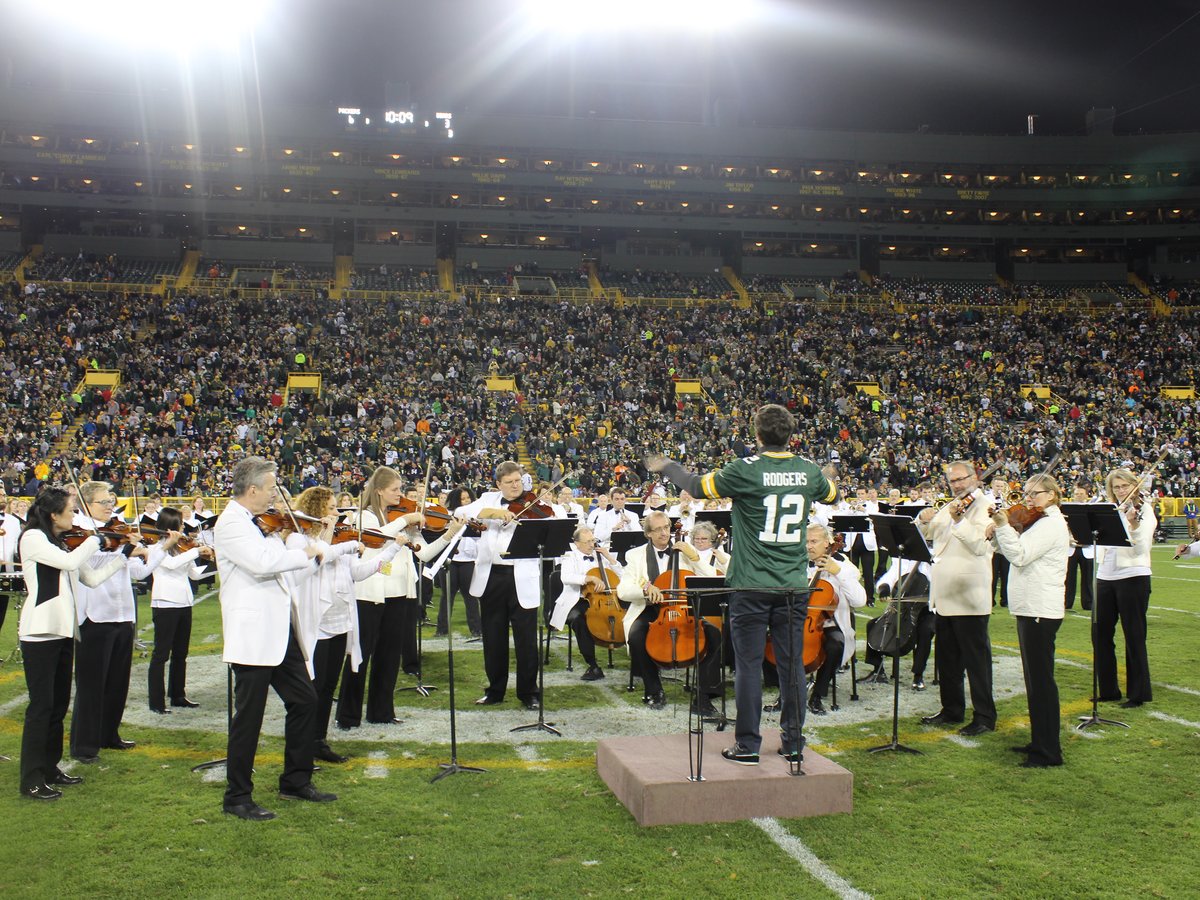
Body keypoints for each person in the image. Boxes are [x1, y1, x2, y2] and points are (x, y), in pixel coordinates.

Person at [647, 403, 837, 766]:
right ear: (790, 434)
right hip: (794, 584)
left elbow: (696, 486)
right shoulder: (807, 470)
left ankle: (748, 745)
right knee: (791, 664)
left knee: (748, 665)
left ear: (758, 435)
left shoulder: (746, 469)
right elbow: (832, 494)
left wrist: (668, 466)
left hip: (751, 583)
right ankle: (794, 741)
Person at [215, 456, 333, 822]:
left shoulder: (257, 524)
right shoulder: (232, 523)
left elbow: (280, 569)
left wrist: (305, 556)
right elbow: (264, 564)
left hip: (279, 630)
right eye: (270, 489)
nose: (275, 498)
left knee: (305, 700)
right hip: (253, 634)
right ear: (252, 490)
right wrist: (302, 550)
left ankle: (295, 780)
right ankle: (237, 796)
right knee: (248, 718)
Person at [16, 488, 126, 800]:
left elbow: (90, 578)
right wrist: (96, 539)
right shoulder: (33, 538)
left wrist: (121, 556)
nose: (75, 516)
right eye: (71, 510)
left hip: (64, 631)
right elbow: (69, 563)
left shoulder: (62, 543)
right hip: (40, 631)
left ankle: (50, 768)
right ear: (54, 515)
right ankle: (31, 779)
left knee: (58, 705)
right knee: (41, 707)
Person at [293, 486, 409, 763]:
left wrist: (392, 549)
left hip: (340, 621)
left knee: (328, 685)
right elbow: (317, 561)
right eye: (331, 508)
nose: (337, 513)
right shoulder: (301, 541)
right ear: (317, 511)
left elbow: (356, 572)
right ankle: (304, 746)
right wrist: (335, 539)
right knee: (313, 688)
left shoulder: (339, 539)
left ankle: (319, 741)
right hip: (316, 624)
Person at [70, 480, 168, 764]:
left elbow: (139, 571)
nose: (110, 507)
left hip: (123, 612)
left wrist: (161, 548)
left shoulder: (116, 530)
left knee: (117, 681)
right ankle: (84, 744)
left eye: (111, 502)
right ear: (87, 503)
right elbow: (92, 564)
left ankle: (108, 734)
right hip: (95, 614)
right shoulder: (79, 531)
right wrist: (124, 552)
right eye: (104, 502)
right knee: (91, 684)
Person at [455, 460, 563, 710]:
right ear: (498, 485)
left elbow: (557, 523)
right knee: (493, 638)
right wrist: (495, 513)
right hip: (491, 577)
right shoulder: (487, 501)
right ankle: (495, 690)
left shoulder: (538, 505)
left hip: (522, 578)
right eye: (509, 482)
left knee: (526, 640)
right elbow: (459, 514)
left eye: (518, 481)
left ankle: (529, 693)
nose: (516, 486)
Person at [334, 466, 436, 729]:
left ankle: (381, 711)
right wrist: (406, 519)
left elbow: (423, 553)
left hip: (399, 593)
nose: (400, 494)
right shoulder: (364, 516)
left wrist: (448, 535)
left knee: (389, 656)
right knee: (360, 655)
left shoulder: (401, 518)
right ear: (379, 490)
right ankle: (348, 714)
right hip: (369, 594)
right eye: (395, 490)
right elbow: (377, 538)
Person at [987, 473, 1070, 768]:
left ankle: (1048, 751)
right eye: (1028, 492)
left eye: (1036, 493)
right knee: (1035, 681)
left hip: (1039, 609)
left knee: (1042, 682)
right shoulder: (1040, 522)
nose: (1029, 498)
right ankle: (1040, 741)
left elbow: (1020, 556)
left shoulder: (1051, 524)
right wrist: (1001, 531)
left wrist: (1002, 526)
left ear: (1052, 495)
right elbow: (1011, 549)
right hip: (1031, 606)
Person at [916, 460, 997, 736]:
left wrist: (959, 519)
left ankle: (984, 716)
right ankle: (951, 709)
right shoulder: (950, 504)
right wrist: (924, 518)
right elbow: (930, 533)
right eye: (953, 481)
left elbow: (978, 545)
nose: (958, 485)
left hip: (969, 595)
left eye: (962, 479)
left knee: (976, 661)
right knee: (948, 660)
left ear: (974, 477)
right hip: (944, 594)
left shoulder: (986, 506)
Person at [614, 510, 721, 712]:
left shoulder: (685, 550)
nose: (664, 533)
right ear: (648, 534)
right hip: (652, 609)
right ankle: (654, 691)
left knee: (714, 635)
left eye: (666, 527)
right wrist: (645, 589)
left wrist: (695, 558)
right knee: (636, 636)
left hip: (684, 610)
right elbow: (623, 590)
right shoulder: (635, 555)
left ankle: (703, 696)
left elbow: (711, 576)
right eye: (658, 529)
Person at [1093, 468, 1156, 708]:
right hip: (1104, 576)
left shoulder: (1144, 510)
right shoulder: (1110, 510)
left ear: (1134, 486)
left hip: (1133, 576)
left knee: (1134, 635)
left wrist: (1134, 526)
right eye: (1116, 487)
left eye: (1125, 486)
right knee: (1099, 634)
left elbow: (1140, 549)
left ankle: (1138, 693)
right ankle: (1109, 690)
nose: (1121, 491)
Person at [147, 506, 213, 713]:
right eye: (181, 525)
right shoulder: (156, 548)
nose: (184, 529)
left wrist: (216, 565)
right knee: (161, 654)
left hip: (184, 602)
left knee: (180, 653)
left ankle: (178, 695)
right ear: (171, 526)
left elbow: (193, 574)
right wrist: (196, 550)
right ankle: (156, 701)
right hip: (165, 603)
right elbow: (172, 565)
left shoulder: (182, 548)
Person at [805, 524, 866, 715]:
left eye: (813, 542)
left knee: (835, 644)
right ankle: (785, 695)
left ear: (827, 543)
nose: (809, 546)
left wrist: (837, 572)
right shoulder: (798, 563)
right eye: (806, 542)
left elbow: (860, 600)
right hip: (802, 618)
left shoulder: (845, 566)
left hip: (829, 621)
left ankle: (817, 695)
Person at [549, 525, 622, 681]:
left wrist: (610, 558)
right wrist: (588, 578)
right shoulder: (569, 556)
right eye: (588, 542)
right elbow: (566, 577)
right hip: (575, 600)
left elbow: (622, 576)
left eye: (593, 541)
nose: (592, 545)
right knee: (579, 620)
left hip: (602, 599)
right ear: (577, 543)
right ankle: (593, 665)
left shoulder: (599, 555)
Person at [436, 486, 482, 637]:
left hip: (468, 560)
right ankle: (442, 629)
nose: (466, 501)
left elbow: (478, 538)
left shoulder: (476, 516)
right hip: (449, 560)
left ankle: (476, 629)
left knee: (470, 596)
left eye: (468, 498)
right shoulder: (447, 516)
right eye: (462, 499)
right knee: (446, 596)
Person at [1064, 485, 1095, 610]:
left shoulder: (1091, 510)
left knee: (1088, 578)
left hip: (1087, 548)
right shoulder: (1066, 510)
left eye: (1081, 494)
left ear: (1087, 495)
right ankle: (1067, 603)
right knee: (1069, 578)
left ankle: (1088, 603)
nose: (1079, 496)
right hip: (1071, 547)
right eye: (1077, 494)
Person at [990, 475, 1012, 607]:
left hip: (1005, 541)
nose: (999, 488)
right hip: (992, 542)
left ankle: (1005, 600)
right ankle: (990, 600)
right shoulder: (986, 500)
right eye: (997, 486)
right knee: (991, 574)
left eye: (1001, 486)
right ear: (992, 486)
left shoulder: (1008, 500)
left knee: (1006, 573)